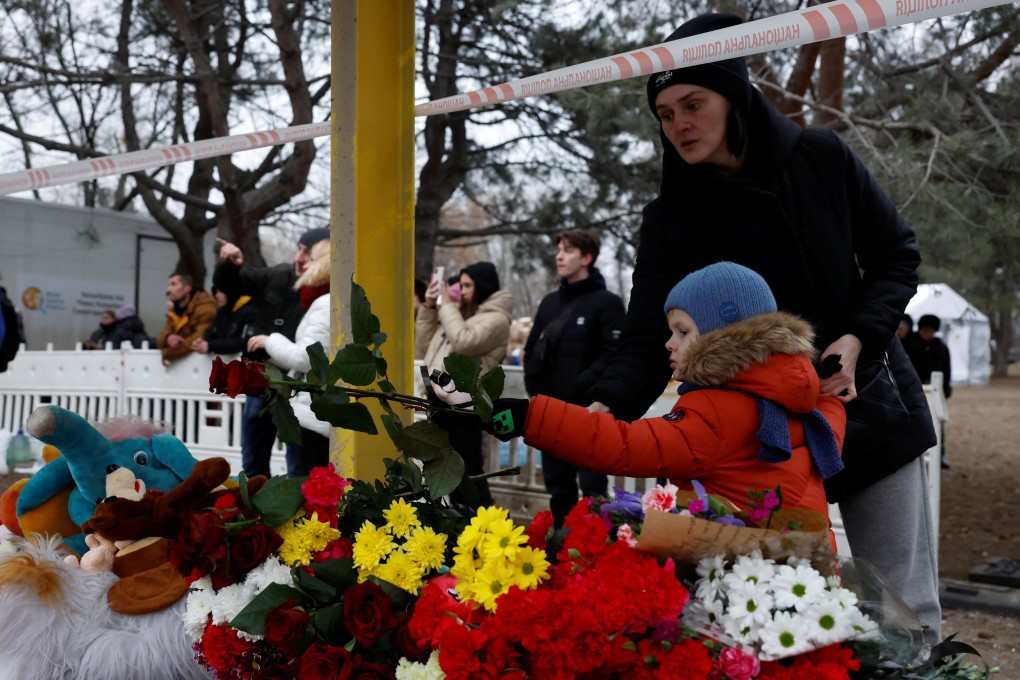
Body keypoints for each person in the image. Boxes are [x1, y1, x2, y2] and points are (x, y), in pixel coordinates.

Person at [583, 13, 940, 642]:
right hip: (754, 452)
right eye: (665, 114)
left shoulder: (821, 159)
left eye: (693, 103)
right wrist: (598, 408)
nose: (679, 125)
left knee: (904, 619)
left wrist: (860, 336)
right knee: (774, 626)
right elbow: (644, 339)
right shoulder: (670, 218)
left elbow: (896, 253)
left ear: (736, 96)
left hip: (868, 407)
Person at [488, 263, 845, 531]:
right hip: (804, 577)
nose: (669, 343)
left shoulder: (718, 410)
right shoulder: (800, 404)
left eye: (683, 331)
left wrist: (531, 417)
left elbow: (625, 446)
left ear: (723, 338)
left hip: (738, 575)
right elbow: (833, 428)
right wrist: (831, 396)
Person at [522, 230, 626, 527]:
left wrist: (579, 385)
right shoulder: (550, 303)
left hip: (589, 413)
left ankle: (597, 551)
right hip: (550, 412)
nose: (559, 256)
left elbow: (613, 354)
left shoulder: (607, 303)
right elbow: (532, 348)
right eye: (558, 250)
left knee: (593, 490)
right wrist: (534, 385)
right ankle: (559, 548)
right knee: (558, 489)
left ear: (587, 258)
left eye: (568, 250)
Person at [213, 226, 329, 478]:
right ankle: (256, 507)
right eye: (298, 249)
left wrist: (269, 340)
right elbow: (230, 285)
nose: (299, 258)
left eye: (308, 253)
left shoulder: (326, 299)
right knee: (254, 455)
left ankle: (293, 510)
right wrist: (229, 265)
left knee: (298, 460)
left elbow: (305, 356)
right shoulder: (278, 275)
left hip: (298, 386)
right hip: (263, 378)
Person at [415, 261, 512, 508]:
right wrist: (429, 307)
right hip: (441, 401)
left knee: (467, 474)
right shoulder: (461, 315)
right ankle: (460, 529)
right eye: (461, 284)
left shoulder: (496, 320)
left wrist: (447, 305)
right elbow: (423, 347)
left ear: (484, 287)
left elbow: (463, 341)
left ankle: (484, 527)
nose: (463, 290)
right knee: (445, 474)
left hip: (465, 408)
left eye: (468, 285)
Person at [246, 240, 331, 476]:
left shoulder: (326, 304)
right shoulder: (324, 302)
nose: (304, 262)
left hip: (313, 418)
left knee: (305, 486)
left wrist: (269, 341)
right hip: (313, 414)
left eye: (311, 258)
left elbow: (307, 358)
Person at [907, 314, 953, 469]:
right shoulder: (910, 344)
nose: (928, 334)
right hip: (914, 392)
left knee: (937, 424)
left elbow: (946, 370)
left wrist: (945, 391)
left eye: (931, 331)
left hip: (935, 392)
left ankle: (940, 454)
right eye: (925, 330)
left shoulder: (941, 348)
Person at [156, 273, 216, 362]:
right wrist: (168, 337)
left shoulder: (206, 307)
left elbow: (198, 340)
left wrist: (166, 353)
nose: (168, 290)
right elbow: (160, 338)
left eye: (173, 284)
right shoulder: (175, 310)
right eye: (168, 285)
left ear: (188, 288)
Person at [190, 286, 256, 357]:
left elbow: (245, 343)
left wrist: (210, 346)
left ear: (229, 292)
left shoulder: (249, 311)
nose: (216, 295)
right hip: (223, 363)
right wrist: (204, 340)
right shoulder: (222, 311)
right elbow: (217, 334)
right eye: (216, 292)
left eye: (220, 291)